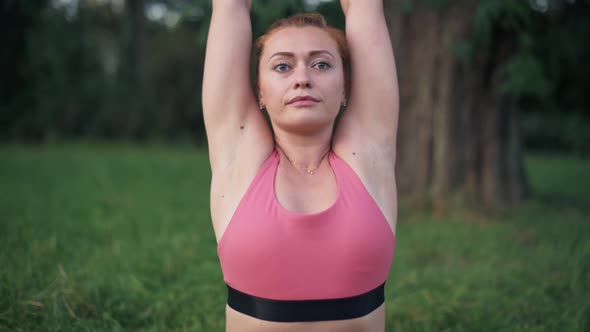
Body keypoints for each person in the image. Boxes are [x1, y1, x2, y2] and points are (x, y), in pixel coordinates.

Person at [202, 0, 398, 331]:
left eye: (321, 65)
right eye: (282, 67)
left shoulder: (367, 156)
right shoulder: (239, 159)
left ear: (345, 88)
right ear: (259, 91)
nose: (303, 78)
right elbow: (229, 6)